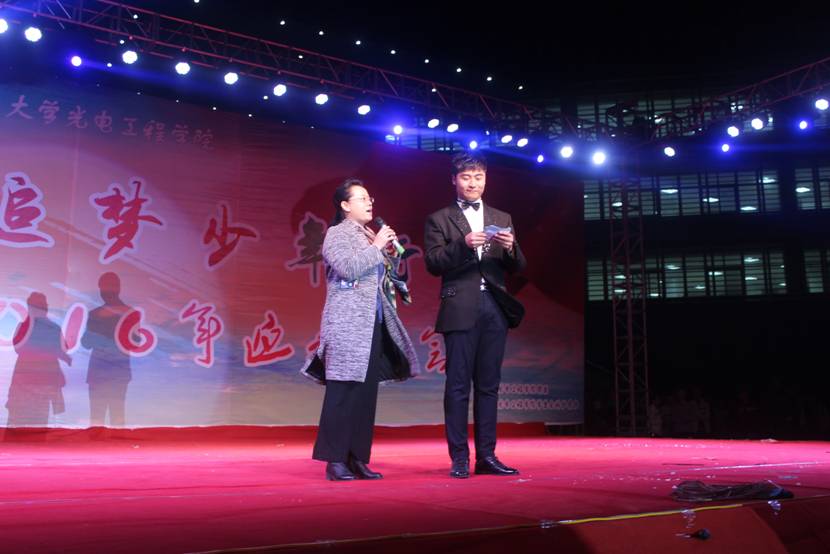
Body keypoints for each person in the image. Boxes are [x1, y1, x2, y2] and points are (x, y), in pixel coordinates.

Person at [302, 178, 419, 481]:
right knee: (343, 390)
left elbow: (380, 276)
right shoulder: (336, 234)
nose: (369, 203)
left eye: (370, 198)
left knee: (366, 393)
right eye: (362, 198)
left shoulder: (368, 235)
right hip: (347, 324)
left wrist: (390, 254)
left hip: (372, 322)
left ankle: (357, 458)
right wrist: (377, 245)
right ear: (345, 205)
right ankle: (334, 460)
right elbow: (348, 268)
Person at [424, 152, 527, 478]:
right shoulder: (440, 219)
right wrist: (464, 244)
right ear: (454, 180)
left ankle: (487, 456)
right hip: (460, 306)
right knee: (457, 386)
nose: (473, 183)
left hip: (494, 307)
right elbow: (433, 263)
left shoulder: (501, 216)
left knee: (489, 386)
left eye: (478, 177)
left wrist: (510, 248)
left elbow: (519, 267)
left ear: (485, 179)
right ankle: (459, 458)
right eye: (466, 177)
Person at [6, 292, 71, 428]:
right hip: (40, 381)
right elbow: (64, 348)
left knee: (20, 422)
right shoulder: (53, 328)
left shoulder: (24, 326)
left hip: (27, 380)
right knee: (37, 423)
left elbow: (18, 347)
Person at [82, 272, 133, 428]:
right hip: (107, 373)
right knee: (105, 418)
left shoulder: (129, 314)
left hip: (109, 372)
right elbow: (85, 342)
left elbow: (134, 342)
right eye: (103, 288)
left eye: (107, 287)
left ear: (118, 288)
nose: (104, 292)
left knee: (108, 418)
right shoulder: (96, 314)